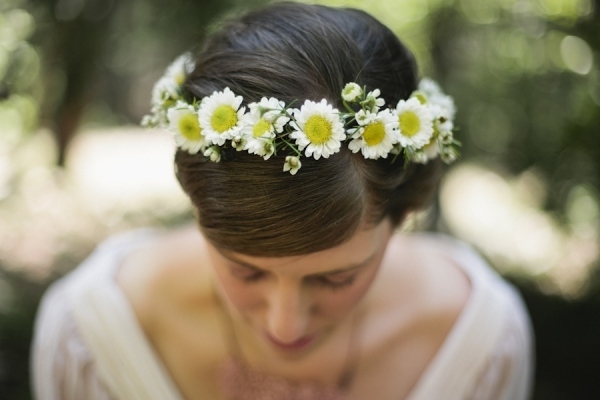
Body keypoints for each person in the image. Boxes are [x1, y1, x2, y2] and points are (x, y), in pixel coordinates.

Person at [31, 3, 534, 399]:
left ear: (401, 215)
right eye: (245, 271)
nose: (284, 323)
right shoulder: (90, 339)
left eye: (338, 278)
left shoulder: (480, 342)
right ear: (201, 206)